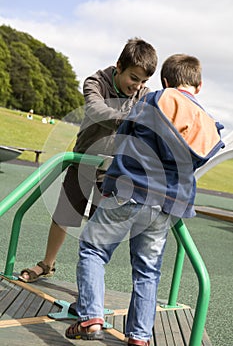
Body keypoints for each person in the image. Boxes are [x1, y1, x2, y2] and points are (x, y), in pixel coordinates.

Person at [64, 54, 224, 345]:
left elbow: (125, 137)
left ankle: (90, 316)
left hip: (130, 190)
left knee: (93, 250)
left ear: (164, 81)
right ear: (198, 86)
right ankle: (139, 336)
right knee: (148, 269)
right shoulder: (209, 123)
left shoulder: (155, 100)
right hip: (168, 205)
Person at [18, 37, 158, 283]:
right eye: (133, 78)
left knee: (97, 228)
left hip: (113, 170)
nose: (137, 86)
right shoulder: (96, 82)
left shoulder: (144, 94)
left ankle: (90, 284)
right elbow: (96, 110)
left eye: (143, 81)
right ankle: (47, 264)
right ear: (119, 67)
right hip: (83, 160)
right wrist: (131, 119)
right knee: (64, 216)